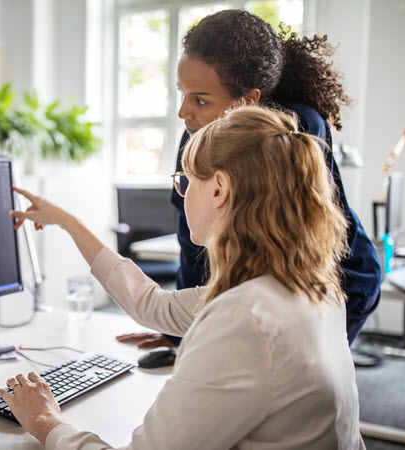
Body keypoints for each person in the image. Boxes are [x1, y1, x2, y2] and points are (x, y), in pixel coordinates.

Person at [0, 105, 363, 449]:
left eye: (186, 182)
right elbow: (152, 304)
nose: (182, 196)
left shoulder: (244, 319)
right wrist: (70, 223)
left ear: (219, 189)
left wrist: (47, 423)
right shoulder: (308, 287)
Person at [118, 9, 382, 350]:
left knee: (286, 387)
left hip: (335, 282)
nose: (184, 112)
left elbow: (287, 253)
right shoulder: (195, 135)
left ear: (249, 100)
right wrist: (179, 332)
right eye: (182, 93)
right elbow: (193, 243)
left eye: (200, 99)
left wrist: (206, 333)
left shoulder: (294, 129)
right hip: (264, 292)